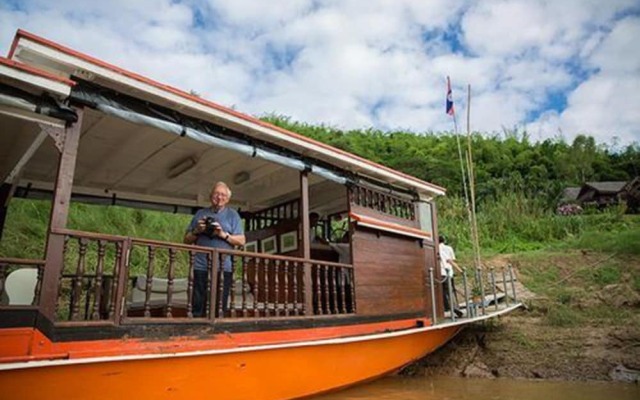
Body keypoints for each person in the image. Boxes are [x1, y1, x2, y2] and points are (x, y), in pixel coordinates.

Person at [184, 182, 245, 317]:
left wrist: (222, 234)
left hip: (224, 266)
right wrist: (197, 230)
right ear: (211, 196)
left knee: (220, 303)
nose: (219, 197)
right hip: (201, 264)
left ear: (227, 199)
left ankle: (218, 329)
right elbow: (186, 239)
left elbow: (241, 240)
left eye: (223, 195)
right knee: (198, 301)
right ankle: (197, 328)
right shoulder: (200, 213)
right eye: (216, 194)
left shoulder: (233, 215)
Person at [439, 235, 463, 317]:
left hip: (439, 273)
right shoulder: (448, 248)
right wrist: (459, 270)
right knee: (450, 291)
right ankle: (455, 307)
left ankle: (447, 307)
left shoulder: (436, 248)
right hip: (448, 272)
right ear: (444, 240)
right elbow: (451, 260)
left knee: (442, 292)